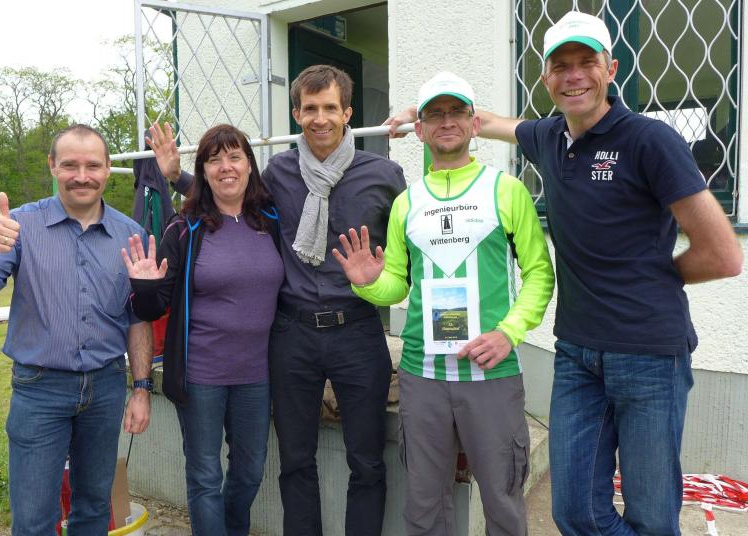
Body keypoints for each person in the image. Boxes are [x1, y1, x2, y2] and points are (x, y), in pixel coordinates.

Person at [386, 10, 744, 536]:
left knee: (651, 514)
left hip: (647, 353)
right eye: (561, 65)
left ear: (611, 69)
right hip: (577, 353)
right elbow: (483, 121)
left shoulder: (649, 140)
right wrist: (418, 112)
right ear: (546, 78)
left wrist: (652, 277)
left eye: (586, 62)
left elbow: (723, 256)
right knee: (574, 512)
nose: (574, 75)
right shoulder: (550, 136)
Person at [150, 64, 406, 535]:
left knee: (367, 461)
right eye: (310, 108)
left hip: (357, 330)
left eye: (330, 107)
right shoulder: (280, 172)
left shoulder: (385, 175)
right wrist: (177, 176)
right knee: (295, 460)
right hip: (293, 335)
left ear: (348, 113)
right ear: (296, 114)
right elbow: (230, 198)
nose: (320, 118)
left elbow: (412, 245)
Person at [334, 71, 554, 536]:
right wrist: (368, 284)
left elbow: (539, 274)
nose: (447, 121)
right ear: (420, 130)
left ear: (475, 124)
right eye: (435, 114)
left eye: (457, 112)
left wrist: (509, 333)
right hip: (423, 377)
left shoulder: (506, 190)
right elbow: (397, 286)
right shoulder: (406, 203)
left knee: (503, 504)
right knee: (424, 508)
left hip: (491, 375)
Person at [0, 124, 153, 535]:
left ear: (108, 167)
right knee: (33, 518)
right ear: (52, 166)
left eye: (92, 165)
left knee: (94, 509)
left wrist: (141, 388)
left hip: (106, 387)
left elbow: (137, 319)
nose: (82, 175)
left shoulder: (131, 235)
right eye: (70, 165)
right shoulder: (20, 226)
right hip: (40, 389)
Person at [123, 124, 283, 536]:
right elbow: (153, 308)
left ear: (250, 165)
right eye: (214, 160)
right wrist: (144, 287)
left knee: (250, 471)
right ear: (204, 170)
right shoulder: (185, 228)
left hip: (256, 375)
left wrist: (177, 175)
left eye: (234, 157)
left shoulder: (270, 219)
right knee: (205, 476)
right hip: (201, 376)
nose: (226, 167)